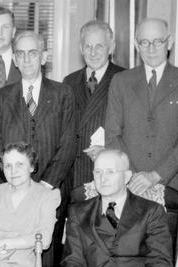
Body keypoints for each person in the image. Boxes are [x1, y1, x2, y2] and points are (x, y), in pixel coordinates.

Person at [0, 30, 76, 267]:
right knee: (10, 254)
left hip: (50, 192)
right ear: (14, 57)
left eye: (32, 53)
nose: (26, 59)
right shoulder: (0, 98)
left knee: (46, 259)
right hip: (10, 194)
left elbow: (67, 145)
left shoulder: (63, 94)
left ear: (44, 56)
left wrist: (45, 185)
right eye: (20, 53)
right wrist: (15, 181)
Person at [105, 18, 178, 217]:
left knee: (164, 248)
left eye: (158, 41)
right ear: (136, 45)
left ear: (170, 42)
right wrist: (131, 176)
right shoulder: (121, 82)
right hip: (128, 186)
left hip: (171, 185)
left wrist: (156, 175)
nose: (151, 48)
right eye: (144, 42)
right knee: (128, 248)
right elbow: (113, 135)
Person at [63, 20, 125, 188]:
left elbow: (134, 132)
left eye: (99, 46)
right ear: (81, 48)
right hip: (74, 175)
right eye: (88, 46)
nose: (93, 52)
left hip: (108, 174)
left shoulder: (125, 79)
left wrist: (109, 148)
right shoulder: (69, 82)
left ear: (111, 47)